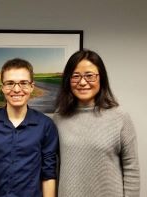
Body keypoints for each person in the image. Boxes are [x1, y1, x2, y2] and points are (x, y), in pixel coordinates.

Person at [53, 49, 140, 197]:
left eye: (89, 76)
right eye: (75, 76)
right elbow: (53, 168)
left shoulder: (120, 118)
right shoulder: (58, 119)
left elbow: (131, 169)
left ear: (101, 78)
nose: (82, 82)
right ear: (68, 80)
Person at [0, 58, 59, 197]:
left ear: (32, 86)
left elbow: (48, 175)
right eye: (10, 83)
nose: (17, 89)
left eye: (23, 83)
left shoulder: (46, 125)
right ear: (2, 87)